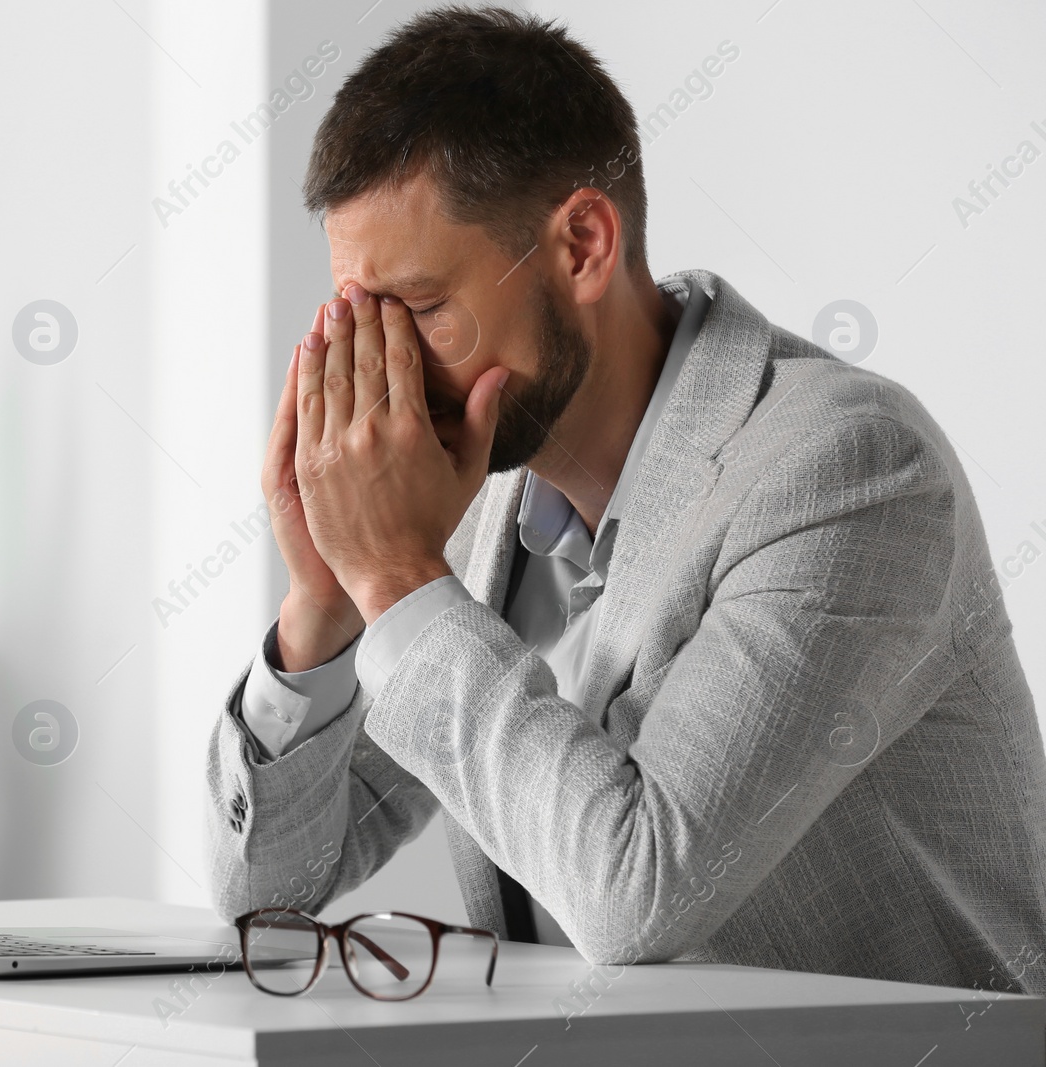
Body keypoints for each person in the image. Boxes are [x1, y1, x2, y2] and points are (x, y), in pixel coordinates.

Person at [204, 6, 1046, 993]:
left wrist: (394, 574)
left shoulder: (848, 468)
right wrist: (325, 601)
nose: (385, 368)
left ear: (582, 245)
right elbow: (267, 893)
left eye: (423, 307)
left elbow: (634, 888)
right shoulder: (474, 498)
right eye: (364, 313)